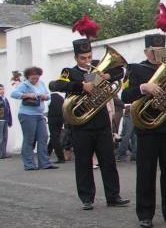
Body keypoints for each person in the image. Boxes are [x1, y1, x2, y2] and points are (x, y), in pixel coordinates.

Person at [48, 17, 128, 209]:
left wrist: (107, 75)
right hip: (81, 125)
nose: (87, 61)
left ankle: (113, 196)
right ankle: (87, 198)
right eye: (83, 58)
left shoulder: (98, 67)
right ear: (76, 58)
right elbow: (56, 85)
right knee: (83, 163)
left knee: (108, 161)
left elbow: (121, 71)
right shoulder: (69, 72)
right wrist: (81, 86)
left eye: (89, 57)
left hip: (101, 122)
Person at [121, 5, 166, 228]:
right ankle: (145, 213)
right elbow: (125, 96)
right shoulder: (136, 69)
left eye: (161, 50)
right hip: (148, 128)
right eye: (153, 50)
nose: (157, 54)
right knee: (146, 172)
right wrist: (143, 87)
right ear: (146, 52)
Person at [10, 67, 57, 171]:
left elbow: (48, 95)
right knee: (29, 139)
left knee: (43, 137)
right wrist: (27, 95)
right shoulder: (25, 85)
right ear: (28, 77)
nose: (35, 80)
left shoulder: (41, 83)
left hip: (39, 115)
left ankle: (44, 163)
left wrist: (45, 96)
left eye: (37, 78)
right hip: (27, 115)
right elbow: (13, 94)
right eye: (33, 78)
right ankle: (29, 164)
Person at [47, 92, 66, 162]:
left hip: (52, 118)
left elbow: (45, 109)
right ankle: (47, 154)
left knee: (54, 137)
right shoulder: (61, 97)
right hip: (60, 118)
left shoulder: (49, 97)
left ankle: (61, 157)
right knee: (54, 136)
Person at [0, 84, 11, 158]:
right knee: (0, 137)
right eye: (0, 89)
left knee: (5, 137)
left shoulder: (5, 99)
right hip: (0, 120)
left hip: (5, 119)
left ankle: (3, 153)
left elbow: (8, 110)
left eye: (3, 89)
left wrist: (10, 120)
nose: (2, 91)